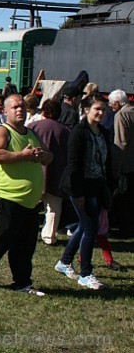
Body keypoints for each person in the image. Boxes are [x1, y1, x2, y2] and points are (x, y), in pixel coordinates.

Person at [0, 94, 52, 296]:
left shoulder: (31, 133)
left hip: (30, 201)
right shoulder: (2, 132)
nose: (19, 110)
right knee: (1, 240)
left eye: (22, 106)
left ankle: (22, 282)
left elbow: (49, 157)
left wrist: (42, 156)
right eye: (15, 107)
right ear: (6, 111)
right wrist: (23, 155)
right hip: (7, 198)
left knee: (25, 245)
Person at [54, 95, 115, 290]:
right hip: (80, 186)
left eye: (103, 110)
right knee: (90, 229)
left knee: (85, 226)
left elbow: (106, 161)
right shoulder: (79, 133)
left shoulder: (103, 132)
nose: (101, 113)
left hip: (97, 186)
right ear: (86, 109)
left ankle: (64, 262)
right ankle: (86, 273)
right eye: (97, 109)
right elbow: (73, 165)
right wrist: (78, 193)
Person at [28, 99, 70, 246]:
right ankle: (49, 236)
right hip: (56, 172)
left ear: (43, 110)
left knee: (30, 204)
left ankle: (25, 231)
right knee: (54, 206)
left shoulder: (32, 127)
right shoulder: (65, 131)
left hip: (35, 170)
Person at [109, 89, 134, 238]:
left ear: (118, 103)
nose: (111, 107)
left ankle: (125, 229)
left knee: (122, 199)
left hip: (126, 165)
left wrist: (116, 167)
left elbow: (121, 142)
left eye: (112, 104)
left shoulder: (121, 115)